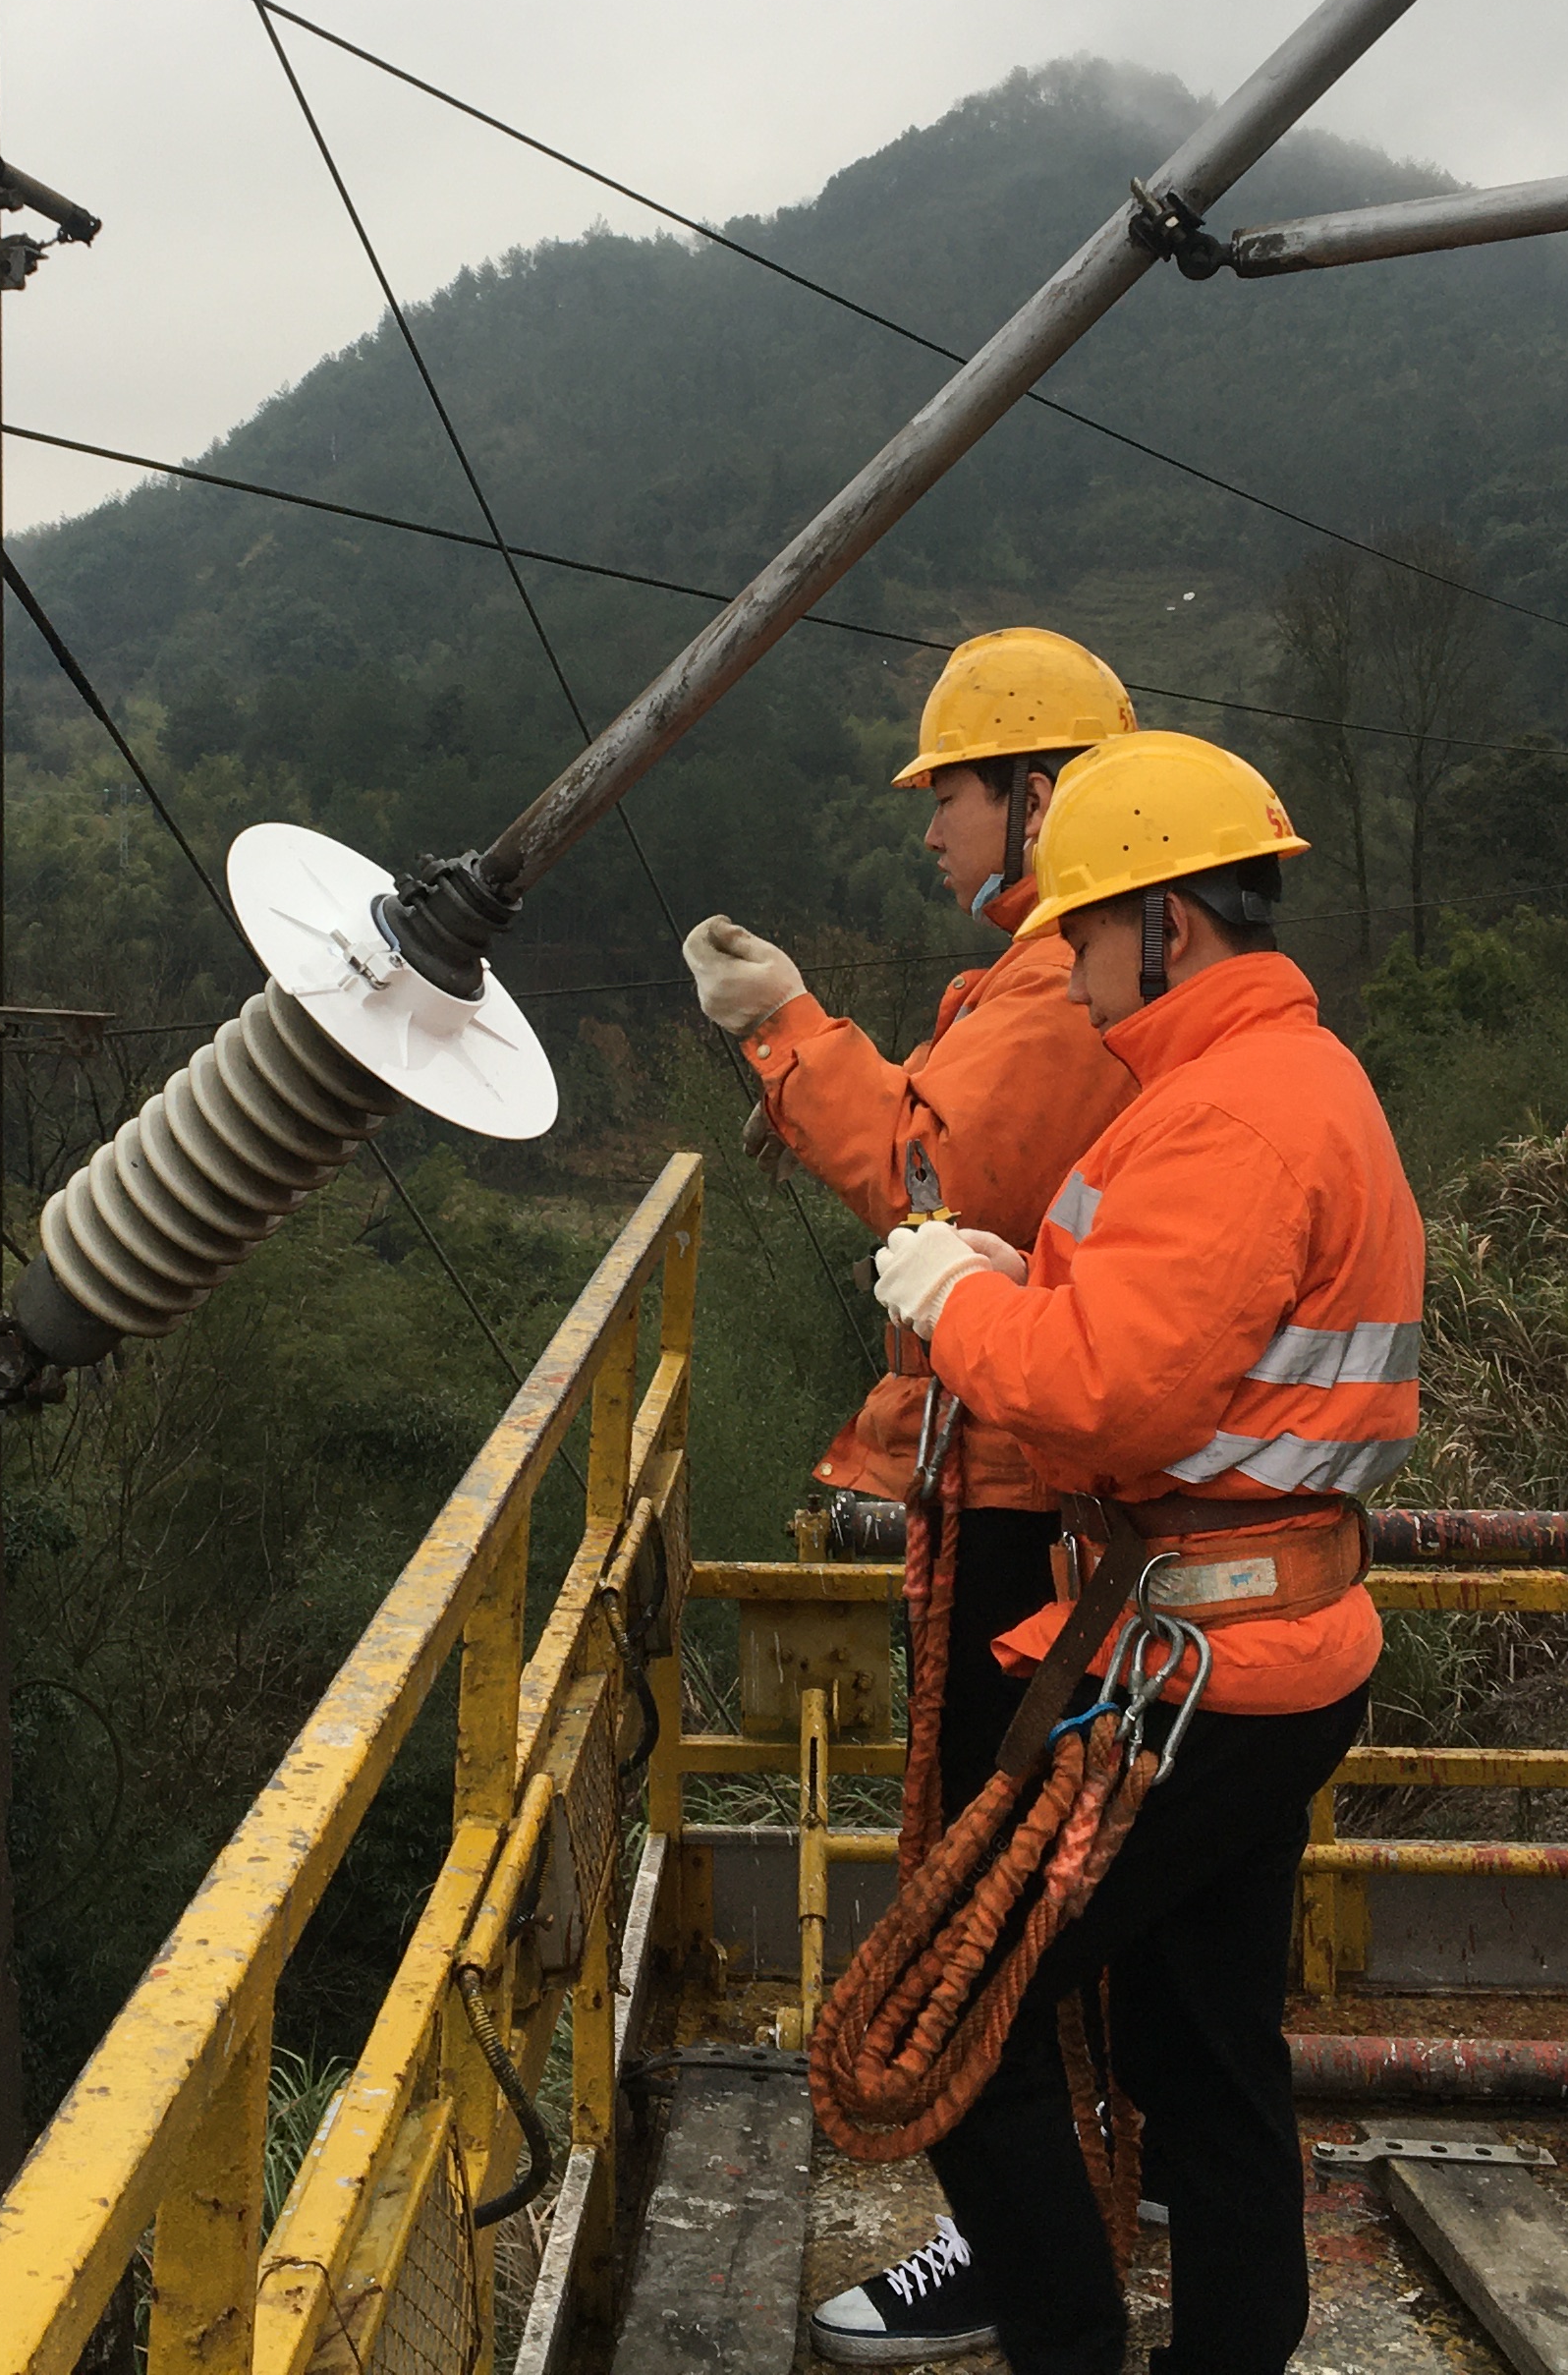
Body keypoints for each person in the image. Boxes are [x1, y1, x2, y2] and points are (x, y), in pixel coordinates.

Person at [861, 730, 1425, 2375]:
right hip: (1257, 1651)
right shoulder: (1276, 1083)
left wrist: (956, 1299)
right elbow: (1180, 1342)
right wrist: (1012, 1270)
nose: (1076, 980)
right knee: (1206, 2050)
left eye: (1090, 940)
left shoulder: (1228, 1117)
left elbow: (1103, 1399)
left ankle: (1067, 2347)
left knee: (941, 2025)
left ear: (1166, 925)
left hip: (1197, 1678)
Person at [677, 627, 1138, 2366]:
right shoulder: (1061, 978)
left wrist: (783, 1028)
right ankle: (1074, 2204)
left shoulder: (1052, 989)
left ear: (1033, 794)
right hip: (1064, 1486)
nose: (927, 828)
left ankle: (1018, 2252)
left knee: (972, 1901)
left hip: (1038, 1490)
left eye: (946, 793)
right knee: (1040, 1892)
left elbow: (931, 1169)